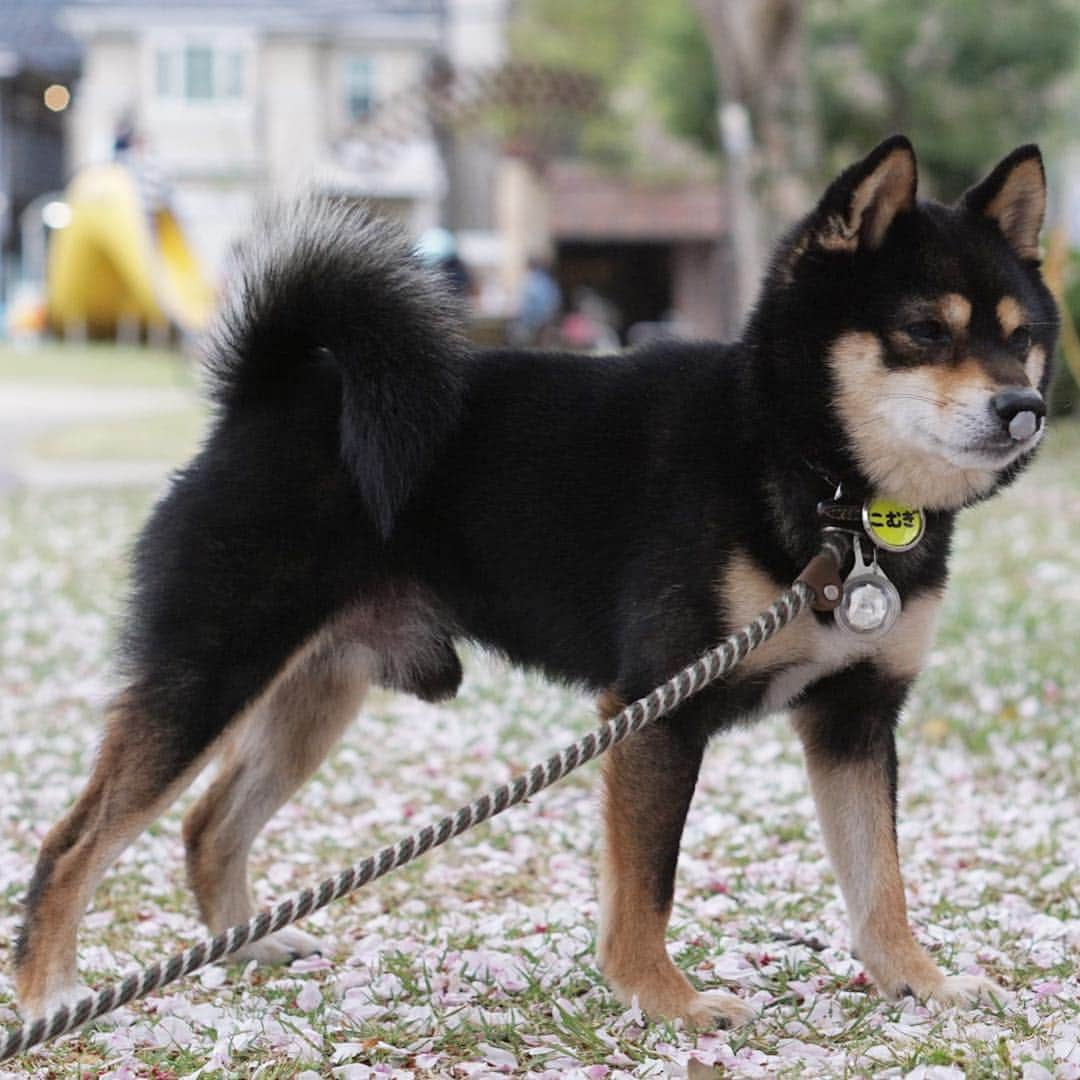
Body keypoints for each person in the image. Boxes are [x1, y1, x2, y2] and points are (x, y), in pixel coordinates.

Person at [512, 257, 561, 346]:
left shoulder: (532, 282)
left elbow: (525, 306)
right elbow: (555, 302)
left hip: (533, 322)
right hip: (545, 321)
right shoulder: (548, 281)